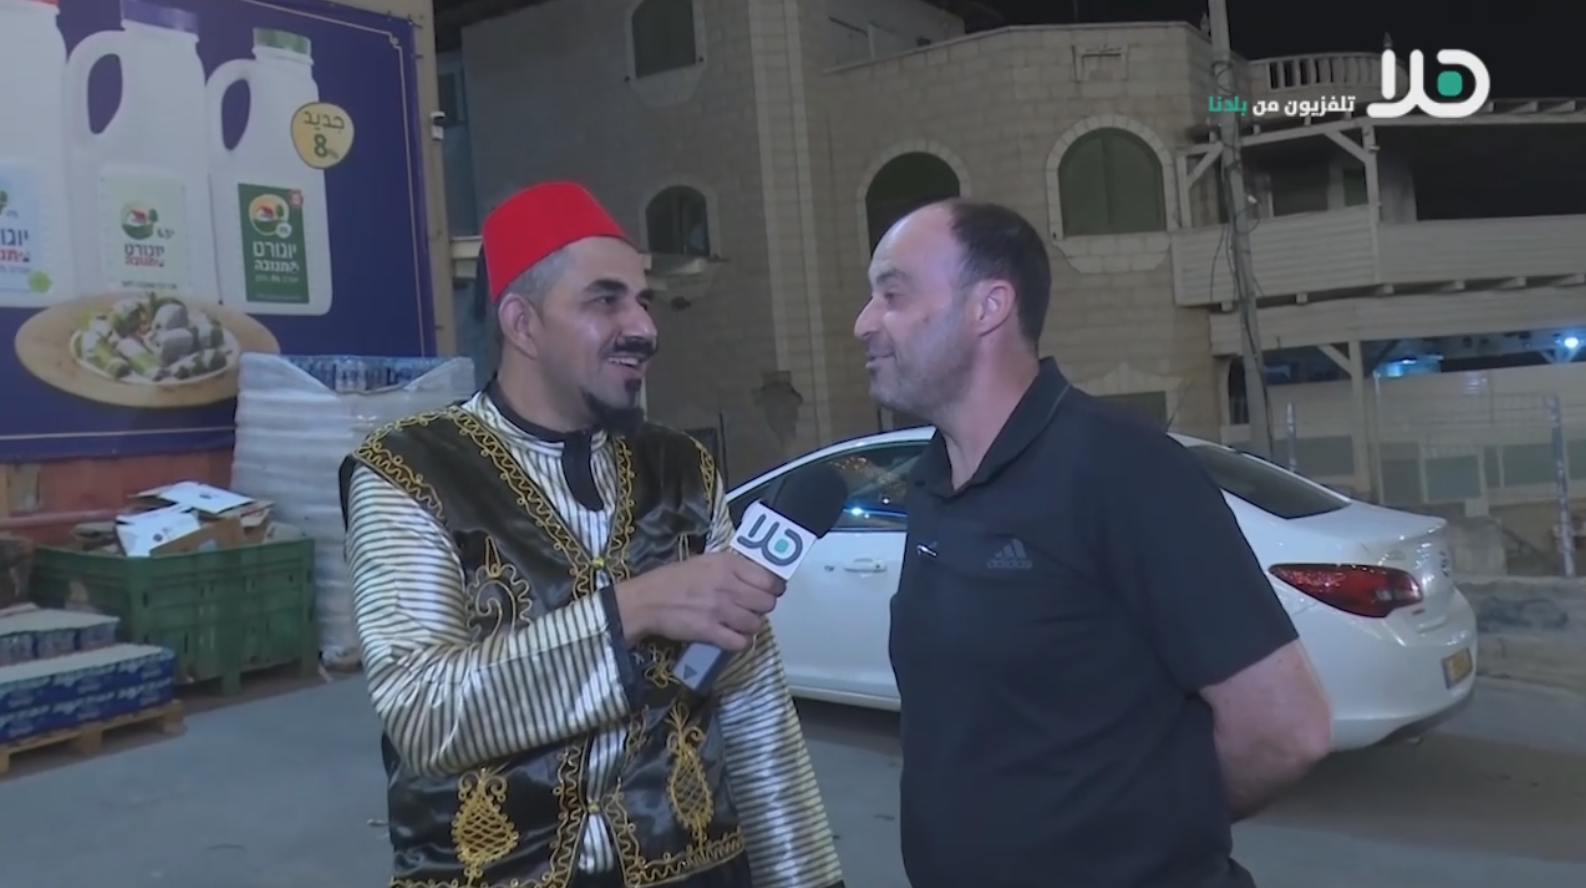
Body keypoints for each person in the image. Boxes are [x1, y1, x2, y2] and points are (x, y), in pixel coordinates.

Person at [341, 181, 846, 888]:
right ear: (523, 324)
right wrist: (633, 609)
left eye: (642, 300)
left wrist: (807, 877)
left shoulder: (683, 470)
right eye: (605, 300)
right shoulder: (411, 471)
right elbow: (424, 714)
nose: (643, 327)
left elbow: (750, 698)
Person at [853, 198, 1333, 888]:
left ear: (988, 307)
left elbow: (1285, 730)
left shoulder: (1121, 468)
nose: (865, 322)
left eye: (893, 295)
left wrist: (1149, 838)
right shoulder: (933, 482)